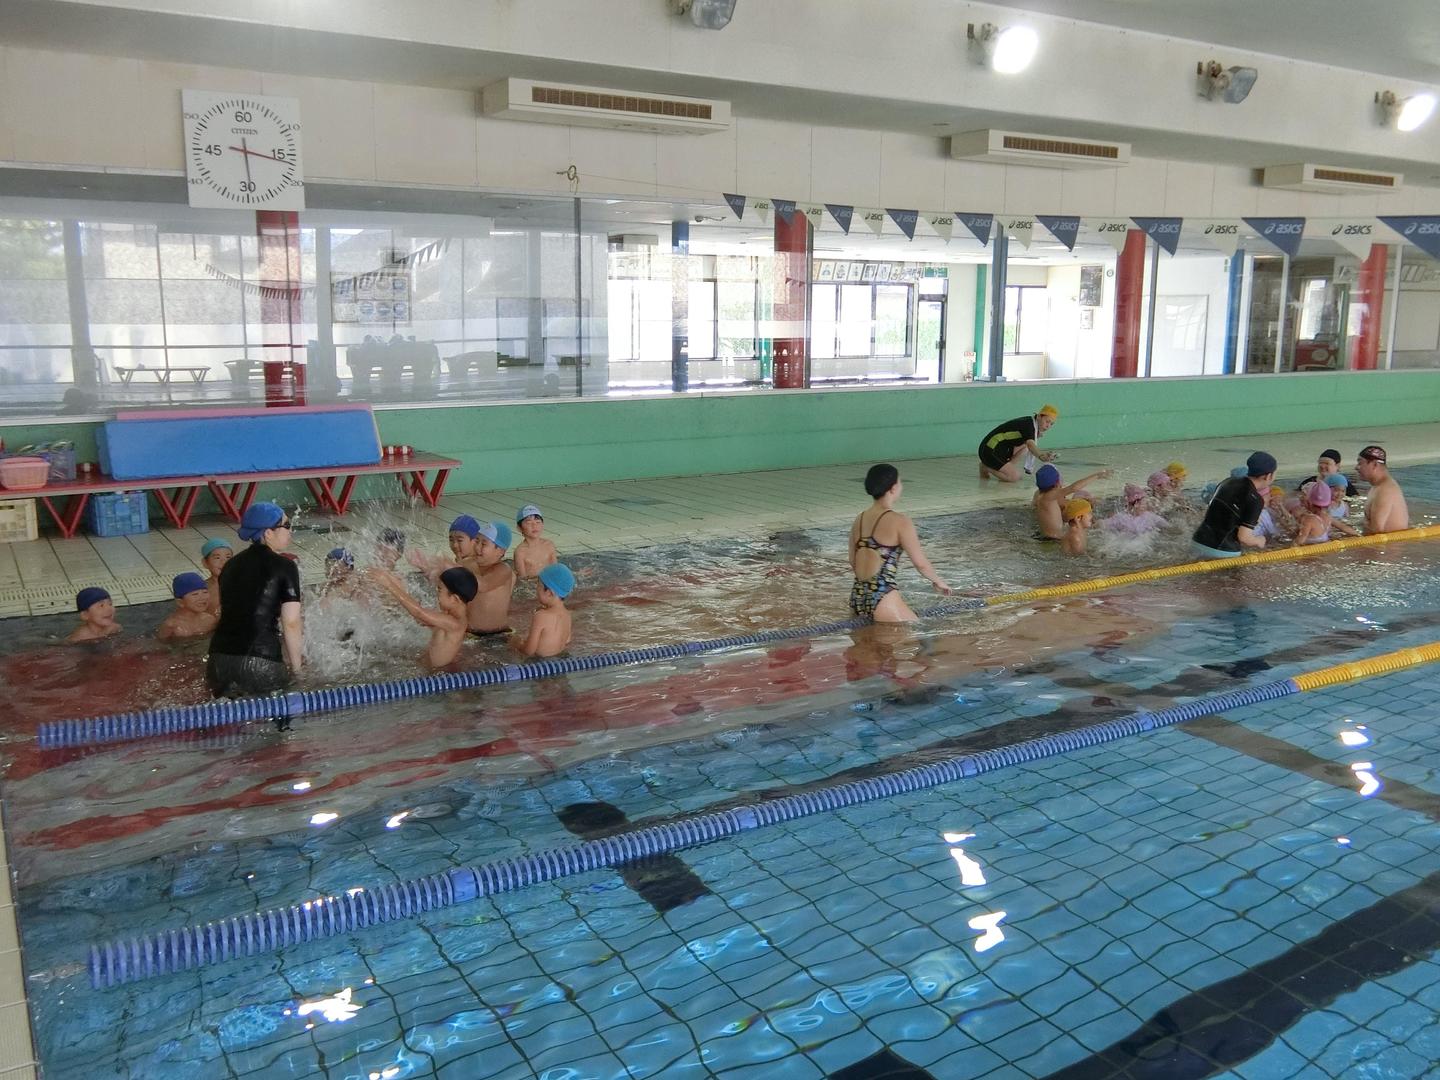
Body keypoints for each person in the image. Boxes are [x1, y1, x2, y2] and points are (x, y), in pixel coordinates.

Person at [207, 502, 303, 697]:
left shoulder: (230, 566)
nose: (290, 531)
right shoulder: (285, 566)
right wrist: (298, 670)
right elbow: (291, 623)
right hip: (261, 663)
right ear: (268, 533)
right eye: (286, 525)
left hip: (218, 662)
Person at [849, 463, 952, 622]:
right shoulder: (901, 521)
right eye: (900, 482)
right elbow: (920, 564)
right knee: (920, 630)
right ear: (893, 488)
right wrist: (938, 581)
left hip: (858, 596)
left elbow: (853, 560)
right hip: (883, 596)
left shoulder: (859, 519)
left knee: (868, 638)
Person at [368, 565, 476, 669]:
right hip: (429, 666)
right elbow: (421, 619)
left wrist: (389, 585)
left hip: (435, 674)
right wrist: (399, 587)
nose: (436, 593)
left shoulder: (455, 623)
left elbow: (419, 613)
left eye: (439, 590)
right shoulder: (449, 616)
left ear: (454, 599)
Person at [1192, 451, 1274, 558]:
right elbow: (1244, 538)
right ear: (1268, 476)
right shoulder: (1255, 499)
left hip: (1197, 541)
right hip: (1223, 551)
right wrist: (1259, 541)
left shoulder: (1226, 482)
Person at [977, 405, 1059, 483]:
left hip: (1000, 448)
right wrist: (1041, 456)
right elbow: (1031, 445)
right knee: (1014, 477)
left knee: (1025, 448)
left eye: (1051, 424)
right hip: (989, 450)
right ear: (1039, 416)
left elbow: (1027, 444)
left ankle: (1007, 467)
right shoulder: (1029, 426)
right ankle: (986, 466)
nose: (1048, 426)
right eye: (1047, 421)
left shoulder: (1030, 422)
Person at [1034, 464, 1112, 541]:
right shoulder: (1050, 496)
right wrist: (1097, 476)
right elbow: (1073, 488)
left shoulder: (1039, 496)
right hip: (1055, 539)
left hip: (1045, 537)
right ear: (1057, 483)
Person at [516, 563, 575, 658]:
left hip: (540, 663)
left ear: (549, 592)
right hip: (561, 661)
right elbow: (567, 641)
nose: (536, 590)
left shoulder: (541, 616)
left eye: (538, 586)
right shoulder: (567, 615)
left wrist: (517, 644)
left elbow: (529, 651)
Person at [1356, 445, 1409, 533]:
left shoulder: (1385, 490)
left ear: (1374, 465)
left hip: (1389, 541)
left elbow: (1377, 531)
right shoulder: (1378, 486)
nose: (1357, 467)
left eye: (1360, 463)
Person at [157, 572, 218, 642]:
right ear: (180, 602)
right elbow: (159, 644)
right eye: (195, 594)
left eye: (205, 592)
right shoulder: (172, 626)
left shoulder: (209, 620)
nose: (202, 598)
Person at [513, 504, 558, 579]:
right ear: (519, 528)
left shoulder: (549, 545)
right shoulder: (520, 552)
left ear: (543, 525)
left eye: (538, 522)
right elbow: (522, 578)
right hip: (532, 584)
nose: (534, 526)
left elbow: (557, 571)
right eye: (529, 523)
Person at [200, 538, 233, 616]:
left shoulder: (242, 584)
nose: (224, 562)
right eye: (217, 558)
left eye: (228, 557)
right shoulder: (201, 589)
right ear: (205, 563)